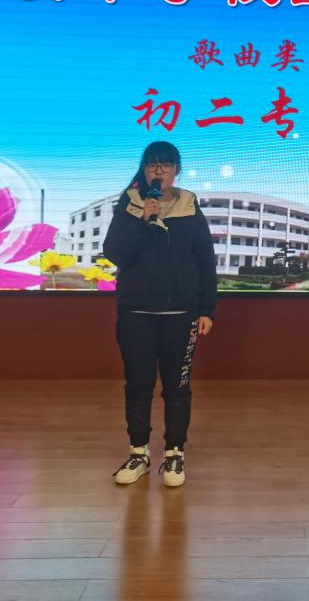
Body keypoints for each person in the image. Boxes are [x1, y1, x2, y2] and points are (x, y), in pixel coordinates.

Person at [102, 141, 217, 487]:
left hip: (181, 312)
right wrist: (143, 220)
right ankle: (138, 452)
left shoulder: (189, 206)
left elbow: (205, 261)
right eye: (153, 165)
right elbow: (115, 253)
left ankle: (174, 455)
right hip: (135, 310)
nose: (159, 171)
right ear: (144, 169)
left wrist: (207, 309)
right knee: (138, 385)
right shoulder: (130, 205)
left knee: (177, 387)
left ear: (176, 170)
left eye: (166, 165)